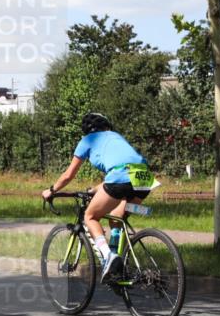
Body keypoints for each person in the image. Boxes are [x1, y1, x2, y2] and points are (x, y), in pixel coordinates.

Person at [42, 113, 157, 283]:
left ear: (86, 130)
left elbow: (68, 175)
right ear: (106, 126)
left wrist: (51, 190)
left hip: (120, 177)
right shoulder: (115, 136)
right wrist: (96, 190)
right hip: (144, 176)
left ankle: (109, 256)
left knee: (90, 216)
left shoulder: (87, 140)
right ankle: (117, 266)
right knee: (117, 217)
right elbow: (122, 168)